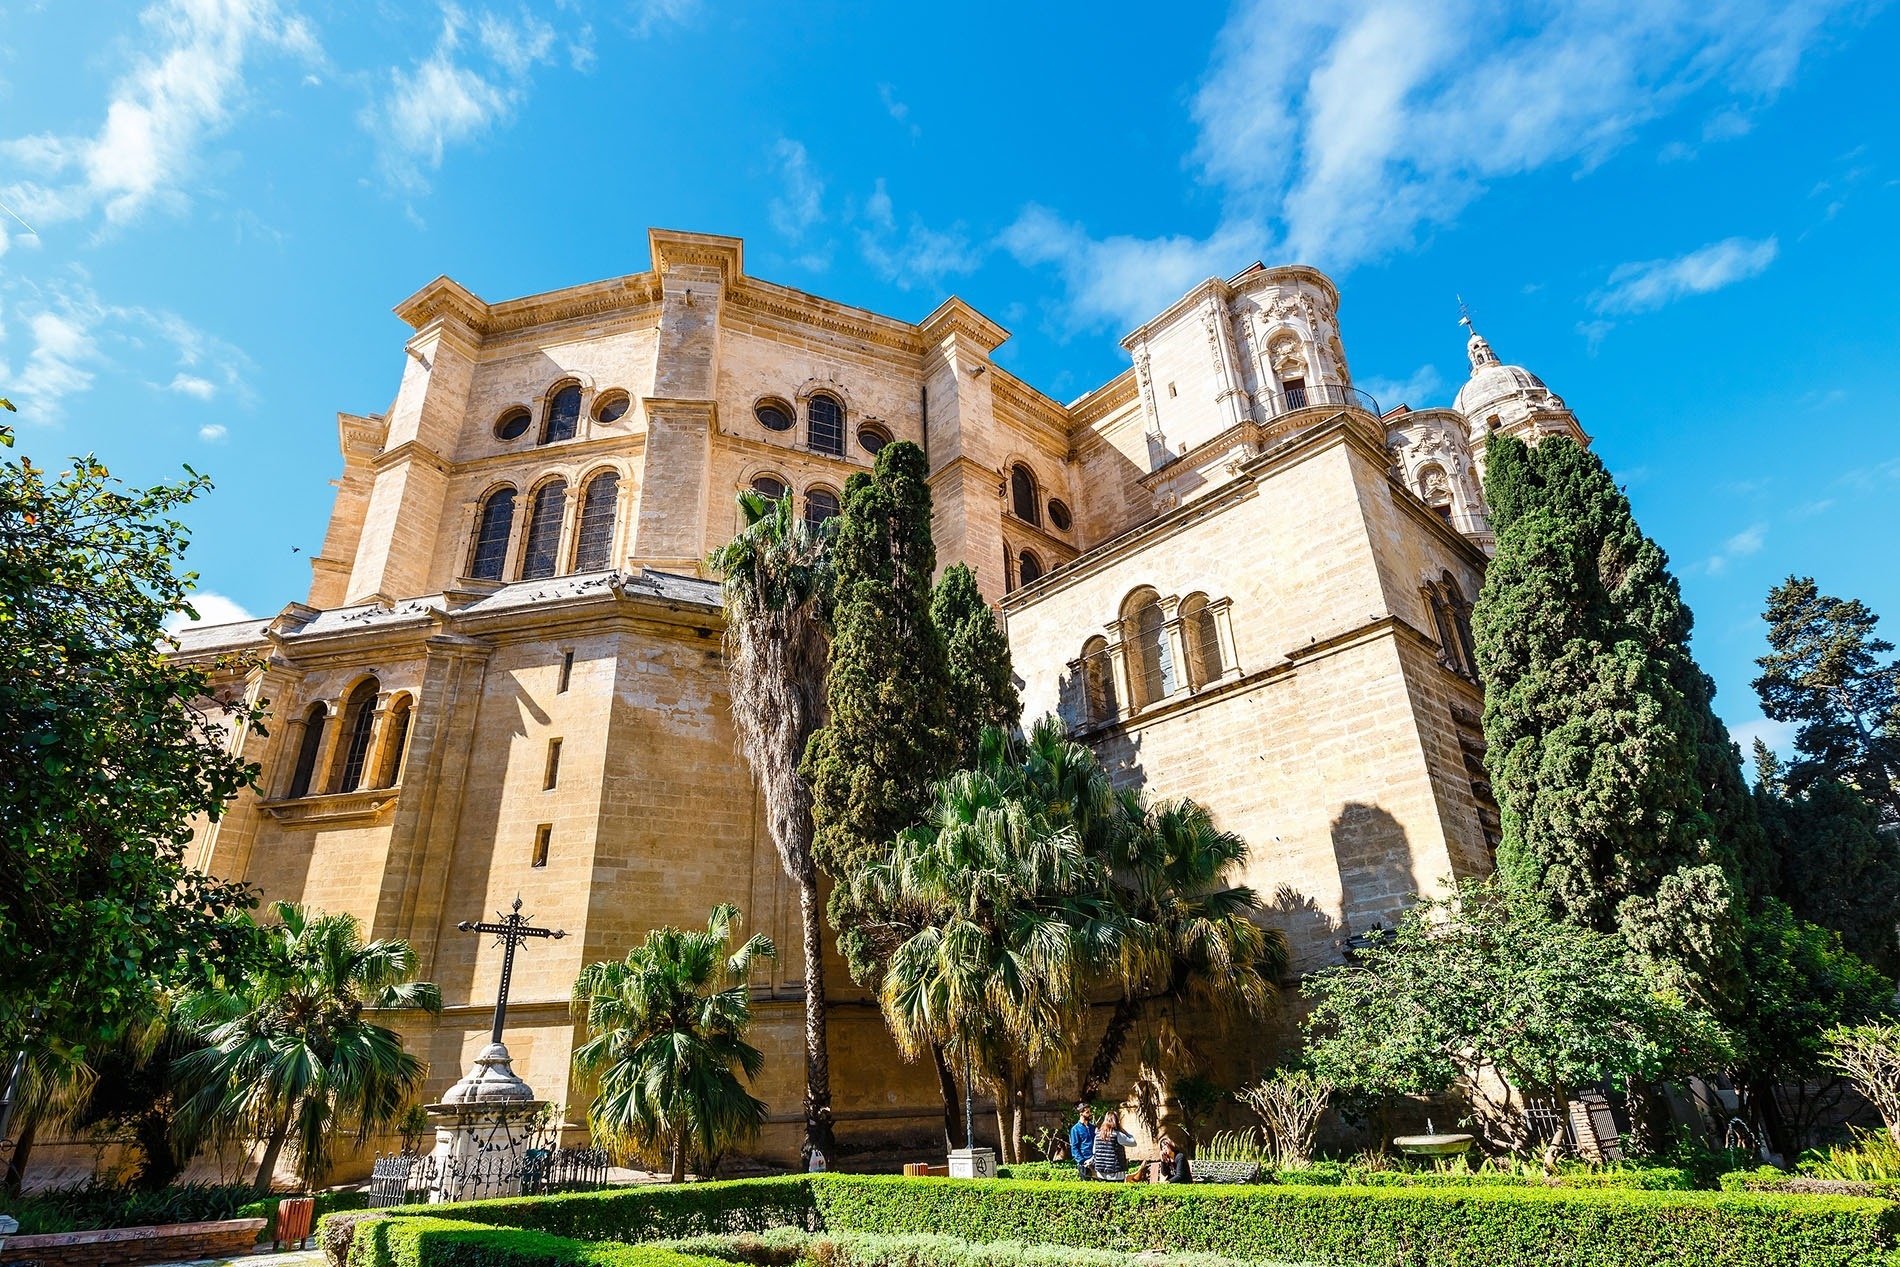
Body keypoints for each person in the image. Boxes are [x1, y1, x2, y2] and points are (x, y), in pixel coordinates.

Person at [1091, 1111, 1137, 1182]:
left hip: (1100, 1173)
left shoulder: (1097, 1135)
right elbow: (1133, 1143)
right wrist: (1126, 1133)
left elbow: (1094, 1151)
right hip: (1116, 1173)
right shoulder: (1117, 1135)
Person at [1068, 1103, 1096, 1179]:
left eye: (1090, 1111)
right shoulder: (1075, 1129)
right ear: (1081, 1114)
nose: (1090, 1114)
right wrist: (1082, 1161)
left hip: (1095, 1160)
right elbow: (1074, 1148)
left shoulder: (1093, 1127)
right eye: (1087, 1112)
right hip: (1084, 1162)